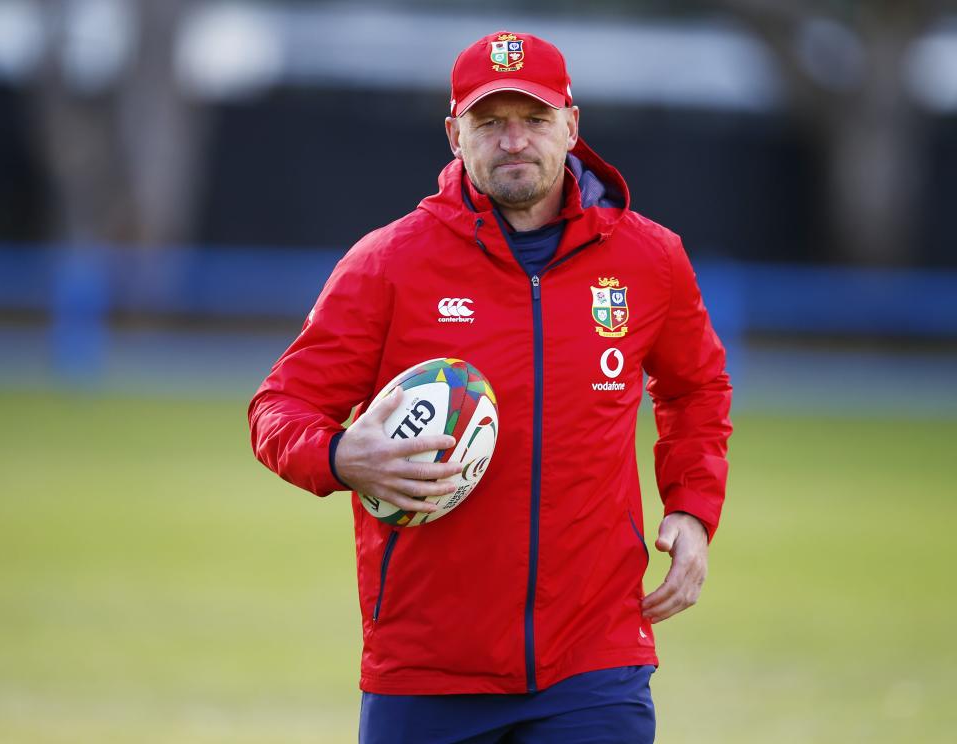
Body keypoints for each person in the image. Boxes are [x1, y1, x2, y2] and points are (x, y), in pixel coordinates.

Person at [249, 30, 733, 743]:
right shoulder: (389, 264)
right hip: (427, 665)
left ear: (571, 126)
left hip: (593, 661)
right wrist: (339, 454)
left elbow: (696, 389)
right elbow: (279, 406)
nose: (514, 141)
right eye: (489, 122)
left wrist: (692, 508)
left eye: (534, 120)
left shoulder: (649, 259)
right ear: (454, 134)